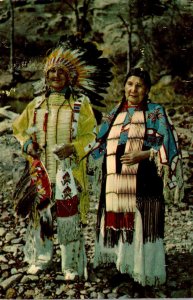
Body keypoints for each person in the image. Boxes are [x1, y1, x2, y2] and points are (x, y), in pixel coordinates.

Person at [12, 35, 113, 280]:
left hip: (69, 170)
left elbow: (93, 135)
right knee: (41, 216)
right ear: (45, 76)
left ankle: (71, 265)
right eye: (50, 72)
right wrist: (28, 145)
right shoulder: (36, 104)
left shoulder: (81, 104)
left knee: (69, 219)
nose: (55, 76)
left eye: (60, 72)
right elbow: (18, 128)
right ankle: (42, 258)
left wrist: (74, 148)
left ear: (70, 77)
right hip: (41, 170)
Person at [91, 67, 184, 295]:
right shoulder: (115, 113)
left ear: (147, 90)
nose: (133, 89)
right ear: (124, 86)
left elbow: (167, 144)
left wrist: (143, 154)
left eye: (139, 85)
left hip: (144, 179)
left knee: (141, 225)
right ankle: (124, 267)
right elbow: (98, 143)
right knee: (120, 222)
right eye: (130, 84)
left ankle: (142, 274)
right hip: (115, 181)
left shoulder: (155, 112)